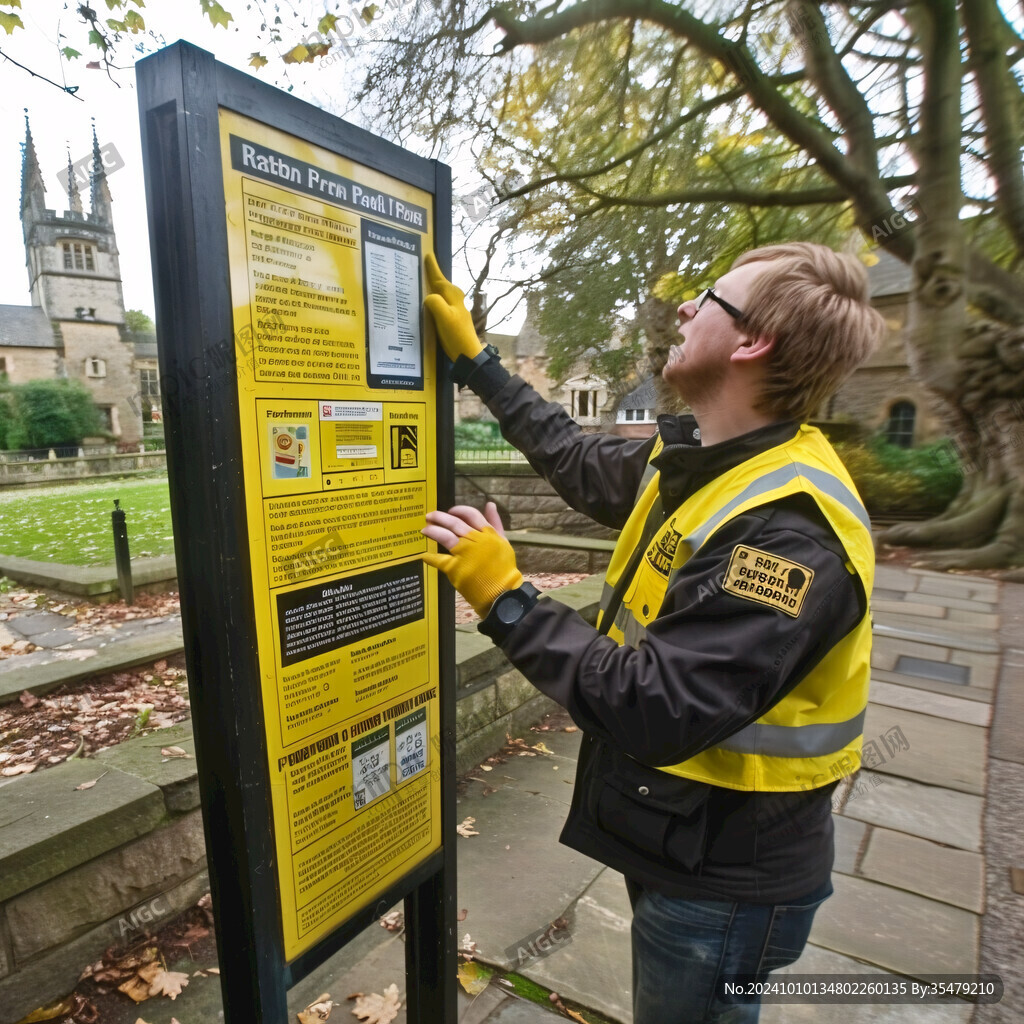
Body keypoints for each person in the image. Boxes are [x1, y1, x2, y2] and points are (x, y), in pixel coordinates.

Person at [421, 244, 885, 1024]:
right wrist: (477, 361)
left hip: (724, 879)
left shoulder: (785, 533)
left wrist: (507, 598)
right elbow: (573, 455)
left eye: (709, 298)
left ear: (750, 343)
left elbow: (657, 706)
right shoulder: (707, 462)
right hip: (682, 834)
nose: (683, 309)